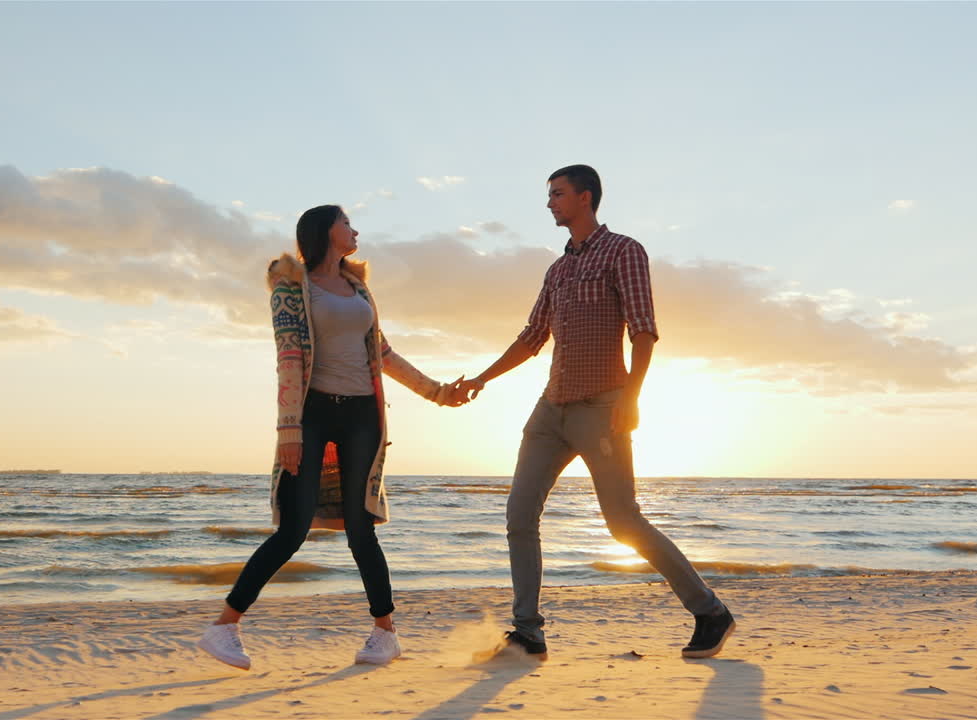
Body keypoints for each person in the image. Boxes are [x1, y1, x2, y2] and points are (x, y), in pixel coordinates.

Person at [459, 165, 735, 660]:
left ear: (586, 198)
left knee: (623, 522)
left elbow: (644, 329)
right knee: (519, 514)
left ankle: (710, 612)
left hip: (602, 406)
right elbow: (531, 337)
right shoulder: (558, 269)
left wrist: (632, 397)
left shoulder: (623, 251)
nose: (550, 203)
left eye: (558, 194)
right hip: (551, 410)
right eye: (549, 195)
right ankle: (528, 631)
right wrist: (483, 377)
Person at [198, 204, 468, 670]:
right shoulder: (291, 285)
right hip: (314, 412)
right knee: (292, 529)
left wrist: (438, 393)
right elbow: (288, 358)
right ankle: (224, 625)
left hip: (363, 414)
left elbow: (382, 352)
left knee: (362, 529)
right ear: (326, 230)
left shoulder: (358, 287)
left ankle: (386, 633)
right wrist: (289, 429)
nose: (355, 229)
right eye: (347, 223)